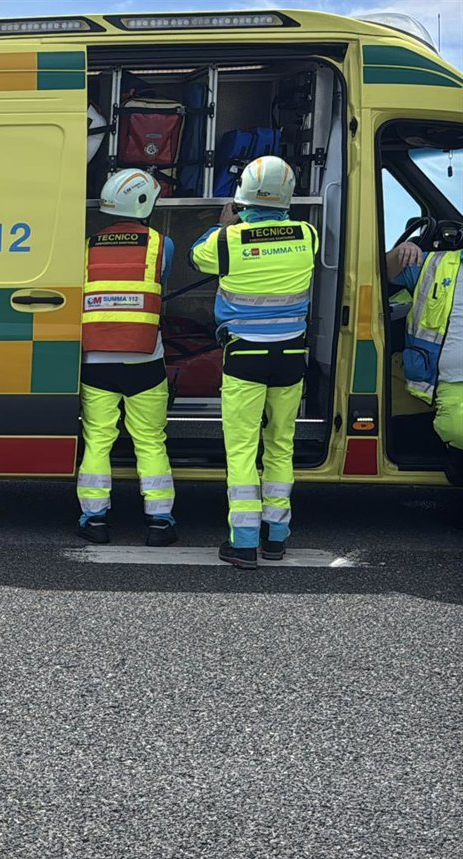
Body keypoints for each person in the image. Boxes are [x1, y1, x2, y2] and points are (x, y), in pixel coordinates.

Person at [190, 156, 318, 569]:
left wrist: (225, 225)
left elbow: (197, 258)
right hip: (292, 356)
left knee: (243, 449)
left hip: (245, 355)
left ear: (241, 197)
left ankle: (243, 543)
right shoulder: (308, 235)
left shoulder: (228, 241)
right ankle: (276, 537)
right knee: (280, 446)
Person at [75, 169, 177, 546]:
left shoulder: (86, 247)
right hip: (144, 361)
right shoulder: (160, 246)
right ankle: (160, 522)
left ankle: (94, 520)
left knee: (98, 441)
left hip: (96, 363)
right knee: (150, 442)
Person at [386, 227, 463, 482]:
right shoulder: (435, 264)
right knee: (454, 427)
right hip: (450, 380)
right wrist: (400, 253)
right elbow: (383, 273)